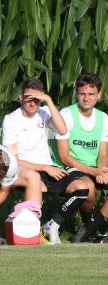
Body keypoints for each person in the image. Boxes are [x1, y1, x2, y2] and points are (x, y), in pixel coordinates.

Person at [2, 77, 95, 244]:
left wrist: (49, 101)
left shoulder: (43, 112)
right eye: (29, 98)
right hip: (25, 169)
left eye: (37, 99)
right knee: (34, 178)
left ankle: (52, 225)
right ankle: (30, 233)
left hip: (47, 168)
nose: (33, 103)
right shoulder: (11, 120)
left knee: (82, 188)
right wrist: (44, 167)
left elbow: (62, 128)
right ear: (20, 98)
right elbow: (14, 160)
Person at [52, 73, 108, 243]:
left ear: (98, 95)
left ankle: (89, 228)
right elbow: (64, 157)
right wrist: (93, 171)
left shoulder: (103, 118)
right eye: (82, 93)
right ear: (77, 93)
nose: (86, 98)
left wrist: (103, 171)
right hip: (70, 167)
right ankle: (90, 230)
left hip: (93, 168)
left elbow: (103, 154)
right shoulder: (67, 114)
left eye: (91, 94)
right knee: (89, 188)